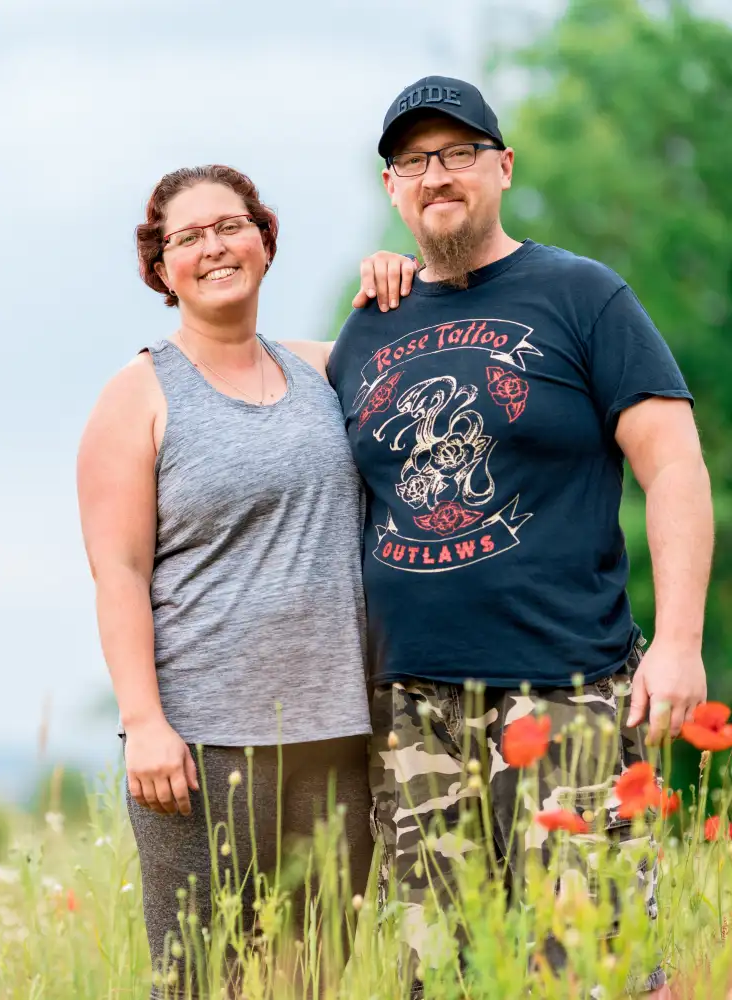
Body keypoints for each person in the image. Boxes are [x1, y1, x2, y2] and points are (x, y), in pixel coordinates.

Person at [327, 76, 713, 999]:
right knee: (440, 975)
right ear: (392, 189)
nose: (436, 175)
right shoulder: (365, 331)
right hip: (412, 710)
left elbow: (676, 467)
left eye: (457, 153)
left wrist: (683, 642)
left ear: (502, 167)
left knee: (590, 966)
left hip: (567, 689)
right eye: (414, 161)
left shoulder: (583, 296)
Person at [76, 163, 416, 997]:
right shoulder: (138, 395)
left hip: (336, 737)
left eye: (228, 225)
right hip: (203, 746)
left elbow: (422, 343)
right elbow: (117, 573)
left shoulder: (322, 372)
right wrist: (144, 722)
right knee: (201, 979)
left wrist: (398, 270)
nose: (213, 247)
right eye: (185, 238)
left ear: (264, 237)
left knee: (309, 978)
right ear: (160, 269)